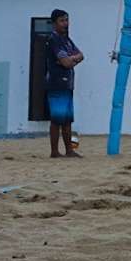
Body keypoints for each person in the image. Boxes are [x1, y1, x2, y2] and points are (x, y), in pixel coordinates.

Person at [44, 8, 84, 158]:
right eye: (62, 20)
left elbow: (81, 55)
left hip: (67, 85)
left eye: (66, 20)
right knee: (57, 119)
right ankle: (54, 151)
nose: (65, 23)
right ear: (54, 23)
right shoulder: (53, 40)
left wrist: (71, 59)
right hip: (56, 84)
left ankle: (69, 150)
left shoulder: (66, 39)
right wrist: (73, 59)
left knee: (67, 120)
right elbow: (66, 62)